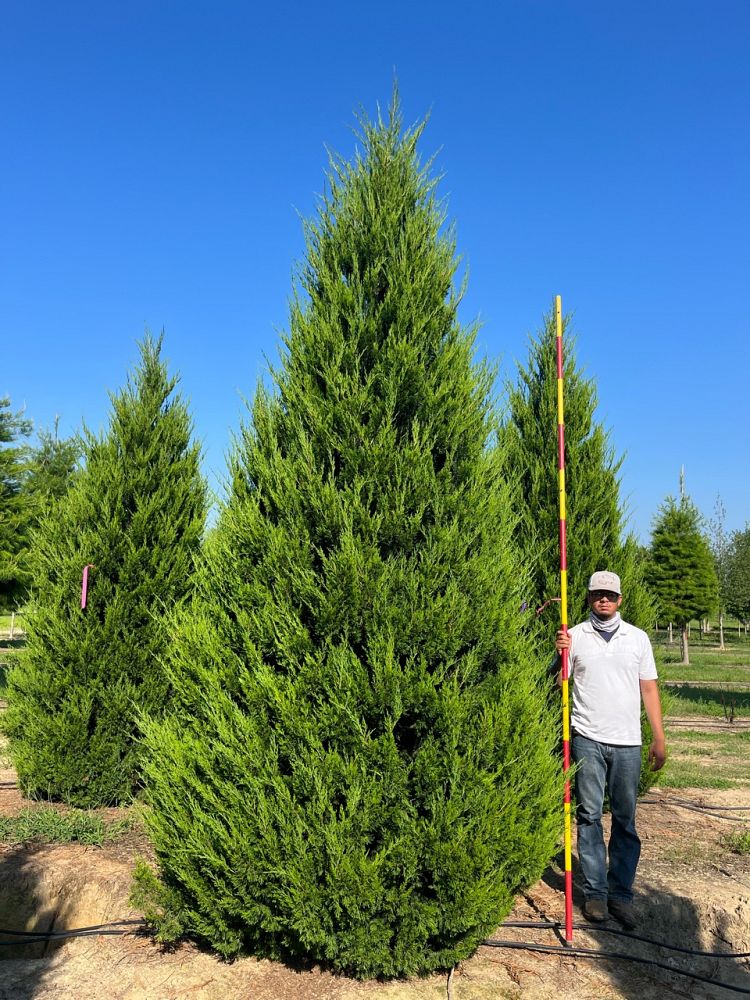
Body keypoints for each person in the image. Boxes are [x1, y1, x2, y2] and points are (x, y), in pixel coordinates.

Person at [555, 570, 666, 930]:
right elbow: (563, 684)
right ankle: (596, 894)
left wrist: (658, 736)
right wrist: (560, 656)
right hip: (587, 737)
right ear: (588, 598)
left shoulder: (638, 639)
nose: (604, 600)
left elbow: (648, 689)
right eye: (597, 594)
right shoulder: (573, 637)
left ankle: (621, 895)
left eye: (610, 595)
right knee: (588, 816)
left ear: (620, 600)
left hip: (628, 743)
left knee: (625, 819)